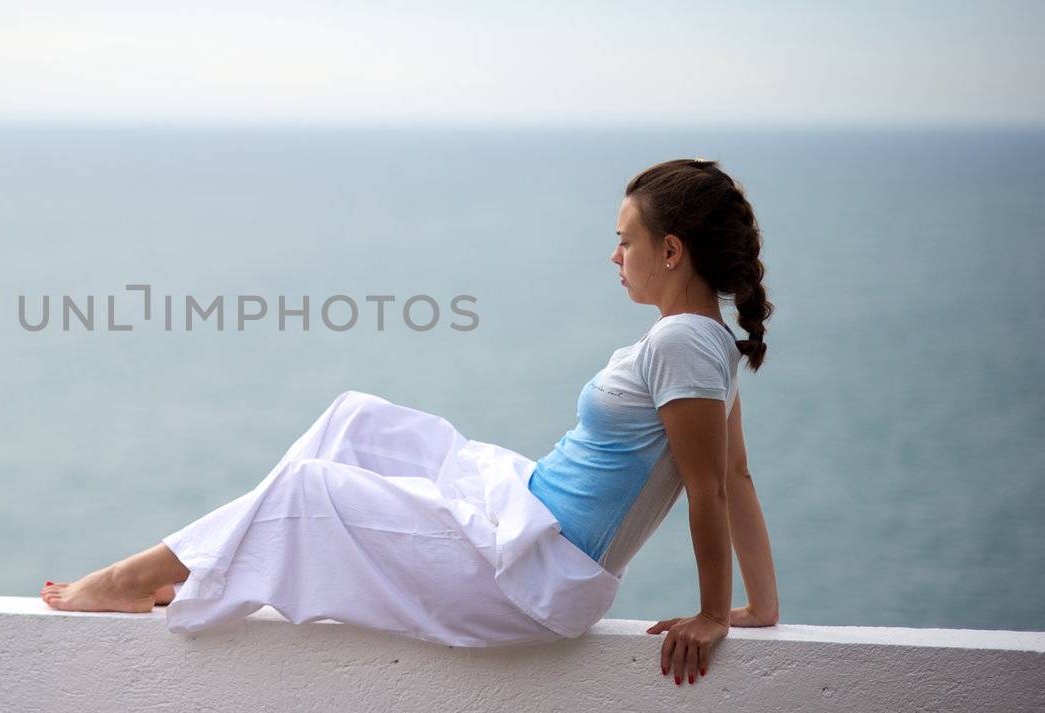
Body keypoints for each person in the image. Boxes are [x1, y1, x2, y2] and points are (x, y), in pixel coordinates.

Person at [42, 157, 779, 684]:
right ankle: (211, 556)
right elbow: (737, 474)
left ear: (672, 251)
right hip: (527, 514)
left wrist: (715, 612)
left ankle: (140, 575)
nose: (614, 254)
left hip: (534, 572)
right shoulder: (706, 343)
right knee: (354, 420)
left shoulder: (681, 342)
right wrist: (763, 604)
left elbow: (710, 486)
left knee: (309, 489)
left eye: (627, 239)